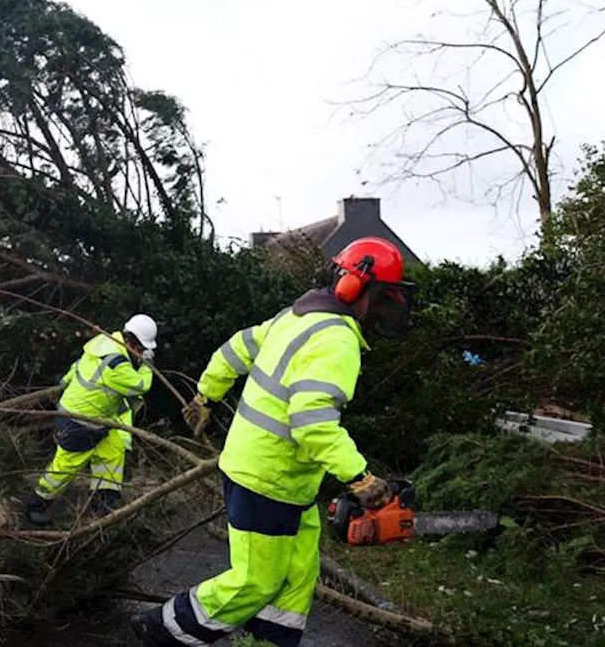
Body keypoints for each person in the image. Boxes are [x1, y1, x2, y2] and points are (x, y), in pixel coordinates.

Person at [129, 237, 414, 647]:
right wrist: (361, 478)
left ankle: (270, 641)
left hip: (288, 481)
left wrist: (204, 396)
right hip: (267, 479)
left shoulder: (295, 317)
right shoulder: (337, 341)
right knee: (255, 581)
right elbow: (311, 422)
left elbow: (234, 350)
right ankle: (162, 629)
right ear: (356, 290)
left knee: (297, 575)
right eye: (384, 298)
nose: (387, 310)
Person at [23, 314, 158, 525]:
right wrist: (147, 366)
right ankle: (37, 503)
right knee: (65, 467)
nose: (142, 354)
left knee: (113, 451)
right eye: (141, 350)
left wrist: (65, 382)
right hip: (79, 422)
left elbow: (78, 365)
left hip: (97, 419)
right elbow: (140, 385)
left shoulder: (104, 343)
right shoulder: (117, 364)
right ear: (131, 343)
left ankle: (105, 506)